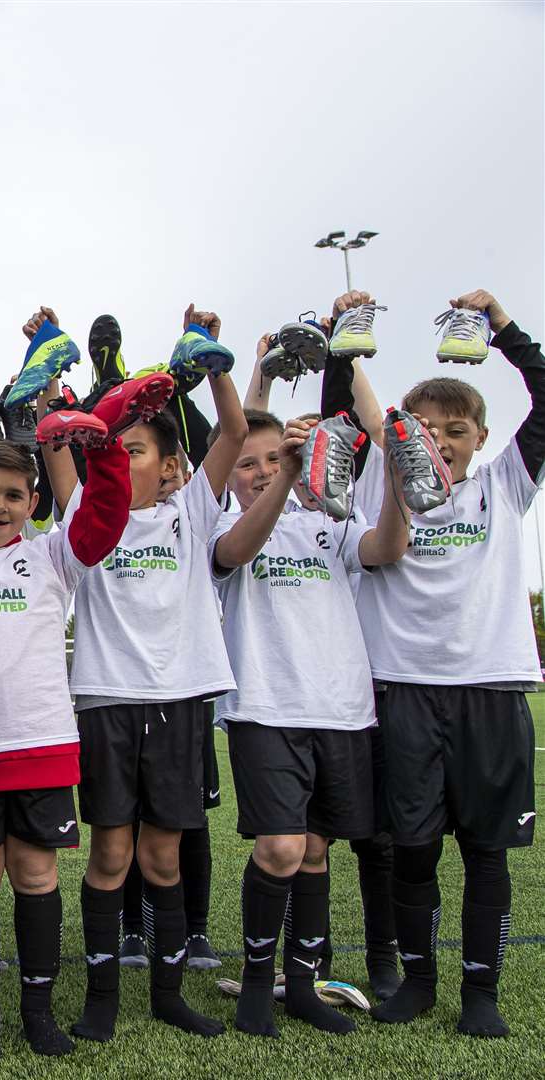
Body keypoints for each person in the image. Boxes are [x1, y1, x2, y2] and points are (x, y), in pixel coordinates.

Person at [41, 304, 248, 1040]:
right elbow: (59, 443)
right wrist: (46, 370)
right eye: (114, 449)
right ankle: (101, 1000)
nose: (121, 459)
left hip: (182, 697)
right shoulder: (84, 518)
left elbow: (231, 434)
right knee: (110, 853)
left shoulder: (192, 509)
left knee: (163, 857)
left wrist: (216, 357)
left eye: (135, 450)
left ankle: (168, 992)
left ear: (168, 465)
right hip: (107, 699)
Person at [339, 290, 540, 1038]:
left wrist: (503, 327)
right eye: (427, 428)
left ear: (481, 437)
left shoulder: (503, 485)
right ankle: (418, 982)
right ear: (404, 434)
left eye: (457, 431)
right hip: (405, 694)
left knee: (488, 854)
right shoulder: (378, 480)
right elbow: (354, 404)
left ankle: (480, 992)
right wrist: (343, 335)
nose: (443, 441)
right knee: (412, 851)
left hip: (490, 692)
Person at [210, 404, 410, 1037]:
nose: (263, 471)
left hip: (341, 708)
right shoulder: (219, 522)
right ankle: (255, 984)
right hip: (265, 706)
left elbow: (387, 548)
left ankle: (302, 987)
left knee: (317, 851)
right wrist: (286, 472)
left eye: (276, 459)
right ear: (229, 471)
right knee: (281, 847)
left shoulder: (331, 522)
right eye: (250, 463)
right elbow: (237, 552)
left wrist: (400, 483)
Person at [0, 418, 131, 1060]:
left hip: (42, 745)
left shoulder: (52, 553)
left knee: (35, 873)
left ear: (34, 501)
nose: (0, 505)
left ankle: (39, 1010)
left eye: (15, 495)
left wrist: (101, 451)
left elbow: (104, 516)